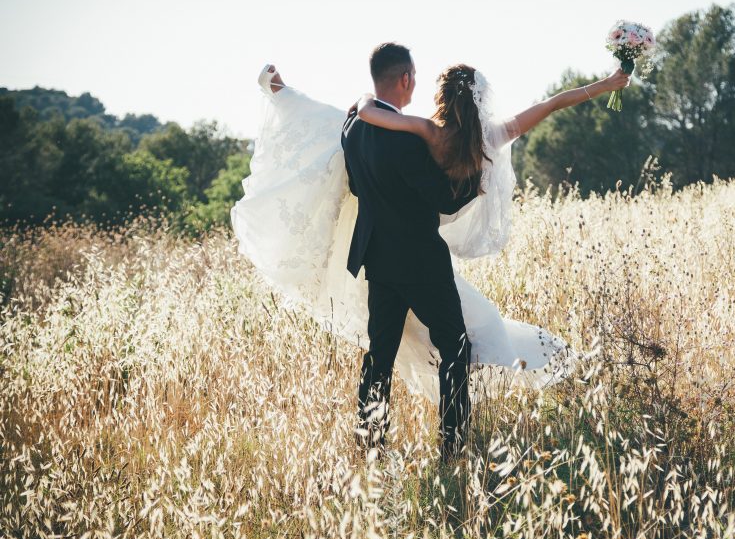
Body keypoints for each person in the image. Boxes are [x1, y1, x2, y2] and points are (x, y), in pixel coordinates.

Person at [232, 43, 630, 463]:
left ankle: (370, 444)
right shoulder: (415, 141)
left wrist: (285, 91)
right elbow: (442, 198)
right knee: (455, 347)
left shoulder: (352, 126)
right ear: (405, 79)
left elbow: (333, 141)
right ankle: (451, 447)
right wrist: (473, 183)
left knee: (379, 354)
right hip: (422, 262)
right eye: (413, 77)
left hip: (377, 260)